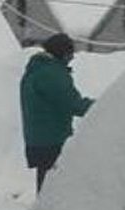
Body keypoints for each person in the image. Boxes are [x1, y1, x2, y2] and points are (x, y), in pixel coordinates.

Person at [20, 33, 93, 192]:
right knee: (56, 186)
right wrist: (103, 105)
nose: (72, 57)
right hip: (53, 139)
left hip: (39, 138)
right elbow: (74, 104)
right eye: (70, 53)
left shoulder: (37, 69)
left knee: (46, 181)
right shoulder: (51, 74)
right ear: (61, 52)